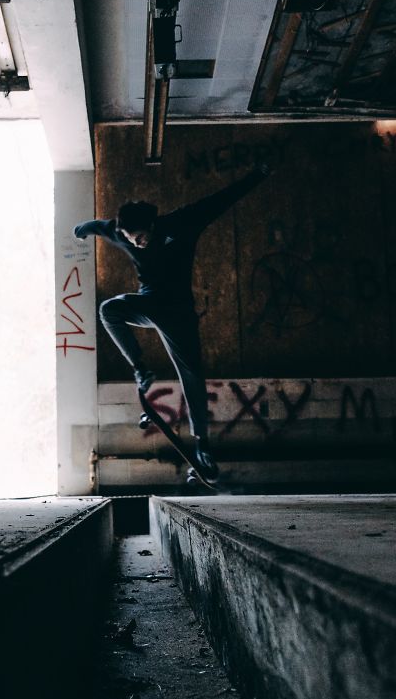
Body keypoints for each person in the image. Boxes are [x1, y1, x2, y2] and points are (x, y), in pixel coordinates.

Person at [74, 164, 271, 482]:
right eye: (130, 239)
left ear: (152, 225)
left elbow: (218, 201)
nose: (136, 244)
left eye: (140, 238)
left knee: (191, 374)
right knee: (109, 310)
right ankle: (141, 368)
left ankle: (203, 447)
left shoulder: (181, 223)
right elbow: (97, 226)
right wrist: (80, 229)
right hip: (148, 305)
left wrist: (256, 176)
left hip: (179, 313)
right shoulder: (120, 232)